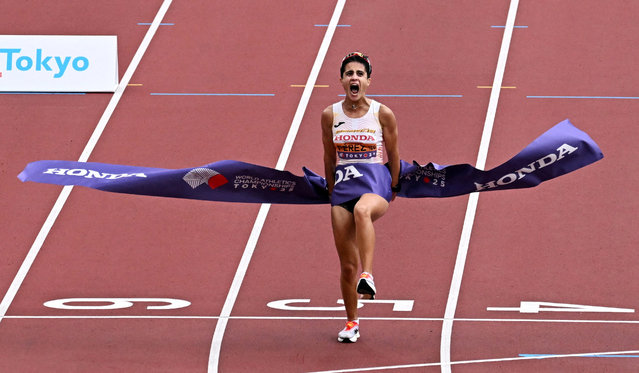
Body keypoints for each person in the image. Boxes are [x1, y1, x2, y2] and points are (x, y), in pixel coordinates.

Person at [321, 52, 400, 343]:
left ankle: (368, 275)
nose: (354, 78)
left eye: (360, 74)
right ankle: (351, 323)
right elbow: (329, 157)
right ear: (342, 80)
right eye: (349, 73)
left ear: (368, 80)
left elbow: (394, 153)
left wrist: (393, 186)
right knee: (345, 266)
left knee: (363, 212)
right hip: (343, 188)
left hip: (375, 183)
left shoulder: (382, 113)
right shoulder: (330, 115)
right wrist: (331, 190)